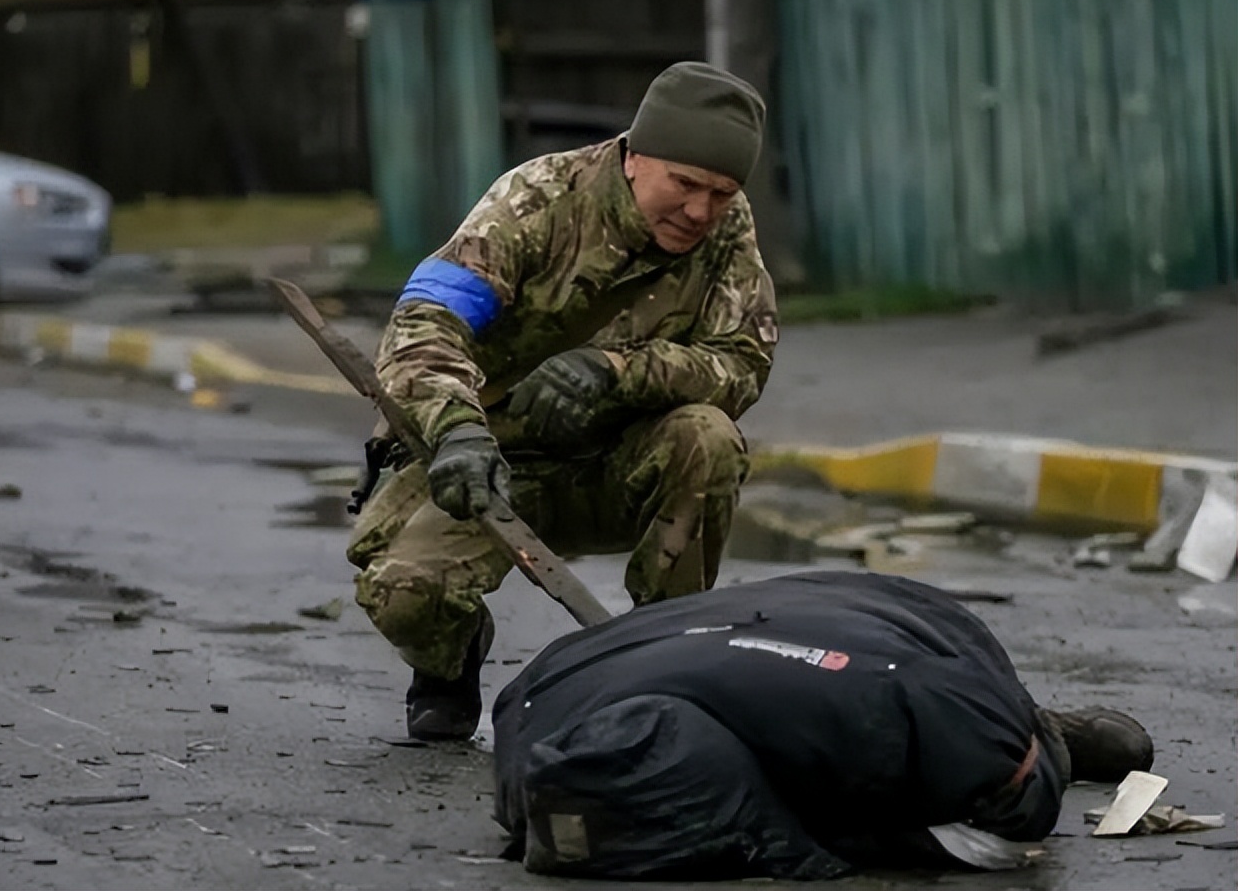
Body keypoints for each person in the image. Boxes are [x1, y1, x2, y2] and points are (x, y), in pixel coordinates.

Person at [347, 61, 779, 741]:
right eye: (687, 185)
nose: (701, 211)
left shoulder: (725, 233)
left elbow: (742, 365)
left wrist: (620, 373)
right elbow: (424, 322)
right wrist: (456, 429)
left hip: (619, 466)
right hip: (492, 467)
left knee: (708, 436)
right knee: (405, 594)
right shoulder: (536, 199)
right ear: (636, 157)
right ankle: (449, 659)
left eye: (721, 193)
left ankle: (662, 656)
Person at [492, 570, 1156, 880]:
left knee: (989, 774)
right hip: (885, 634)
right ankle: (1035, 728)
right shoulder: (608, 739)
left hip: (891, 648)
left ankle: (1040, 732)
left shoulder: (930, 716)